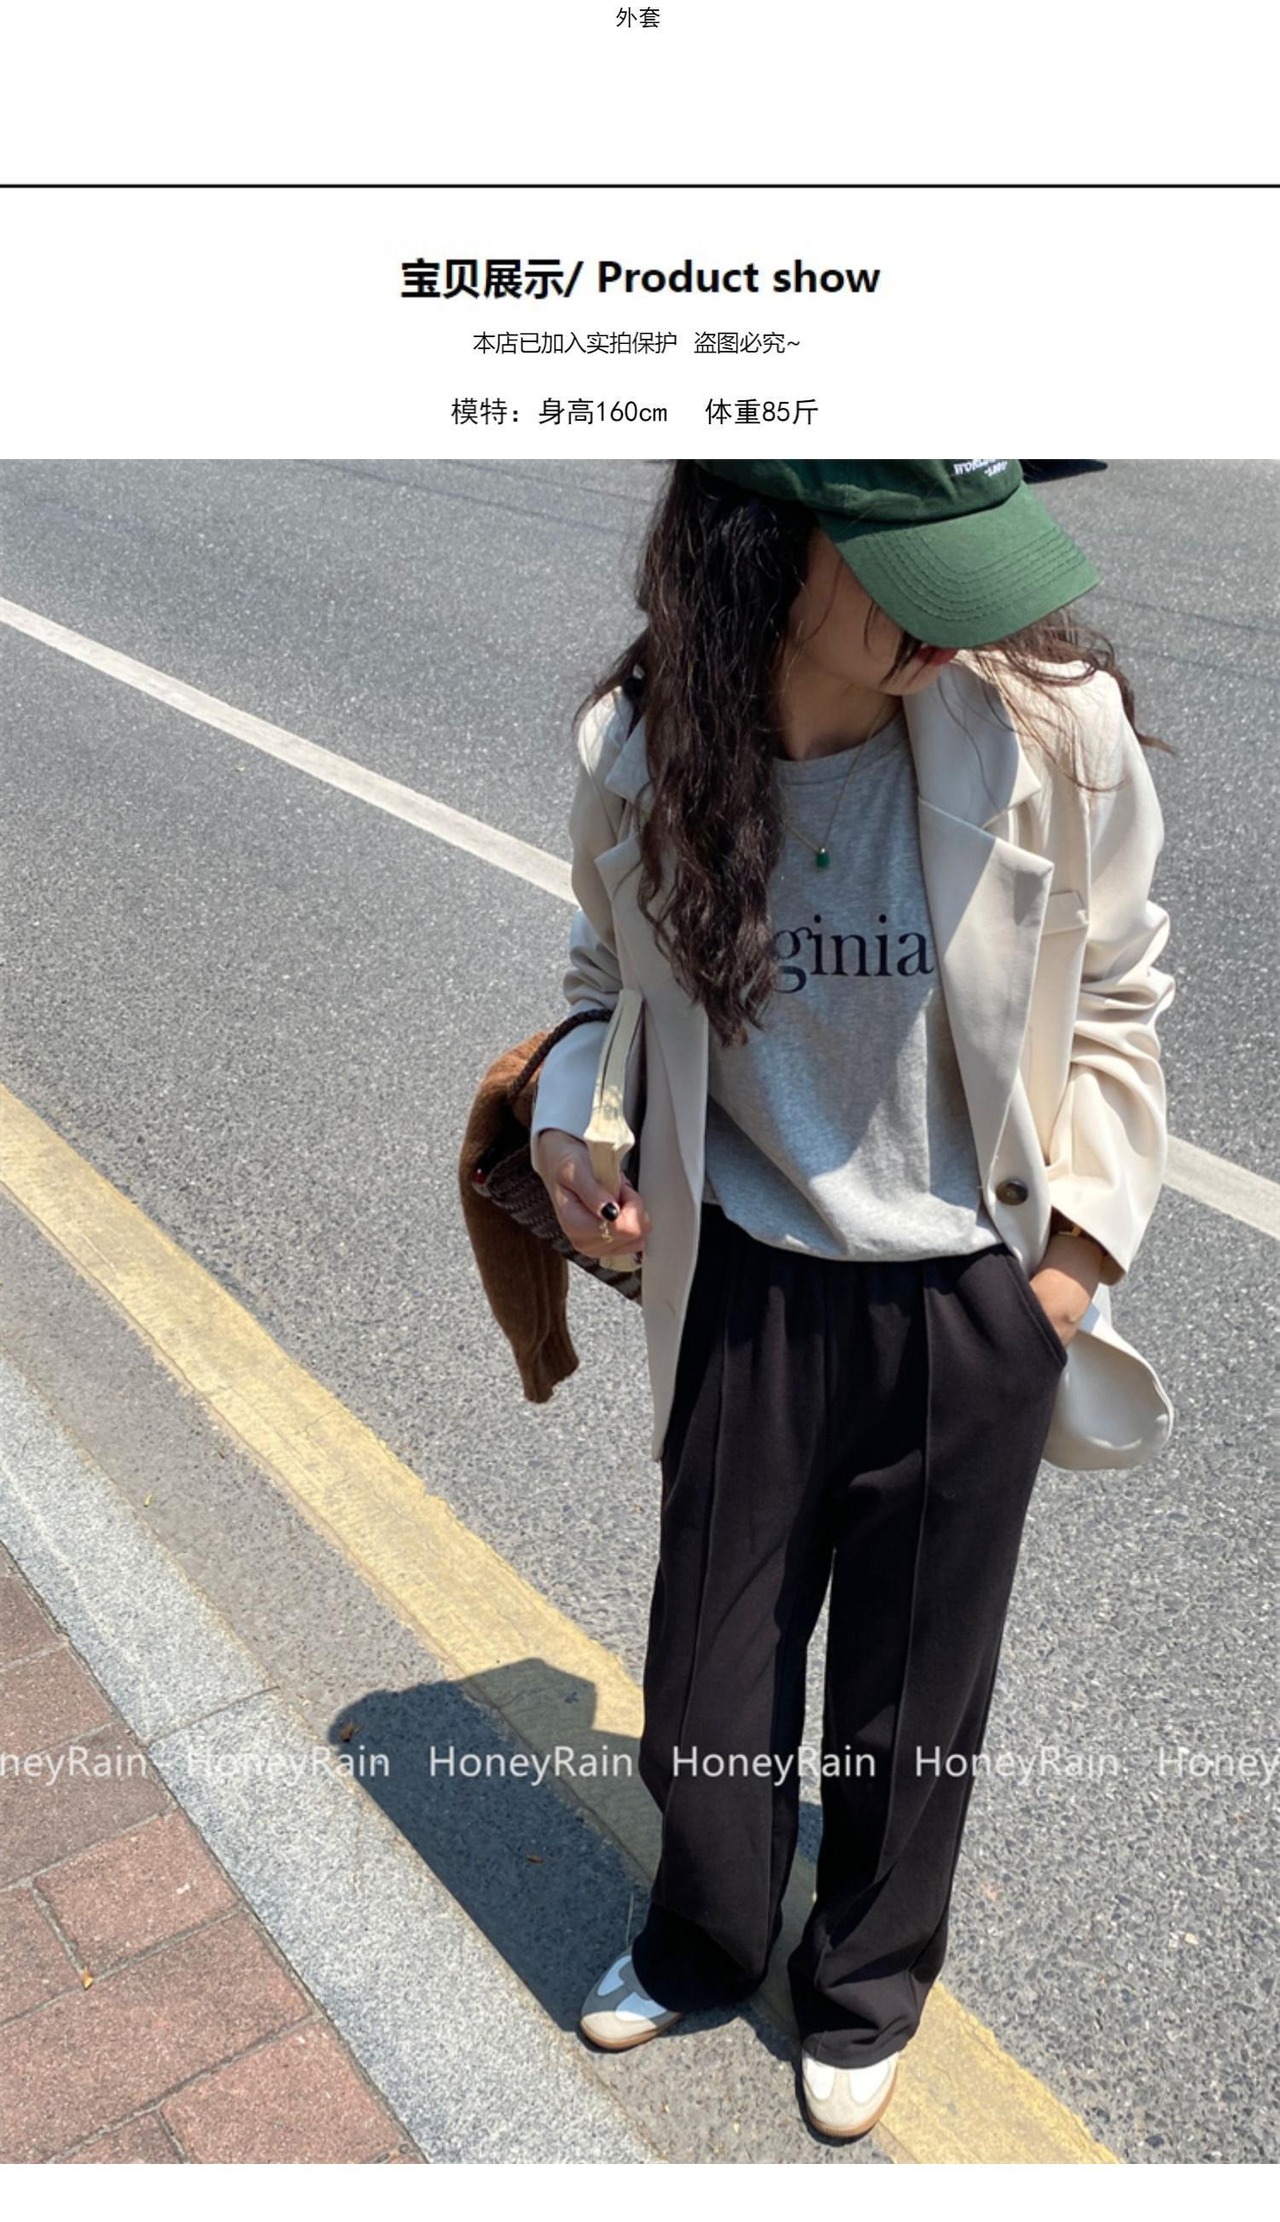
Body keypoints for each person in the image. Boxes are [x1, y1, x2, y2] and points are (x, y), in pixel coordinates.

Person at [528, 460, 1175, 2142]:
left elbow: (1119, 996)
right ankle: (704, 1934)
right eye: (907, 564)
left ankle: (870, 1978)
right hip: (746, 1283)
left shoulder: (1051, 737)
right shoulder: (645, 753)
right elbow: (600, 977)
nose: (956, 618)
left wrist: (1063, 1277)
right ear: (764, 540)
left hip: (968, 1295)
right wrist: (565, 1122)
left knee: (915, 1692)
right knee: (710, 1681)